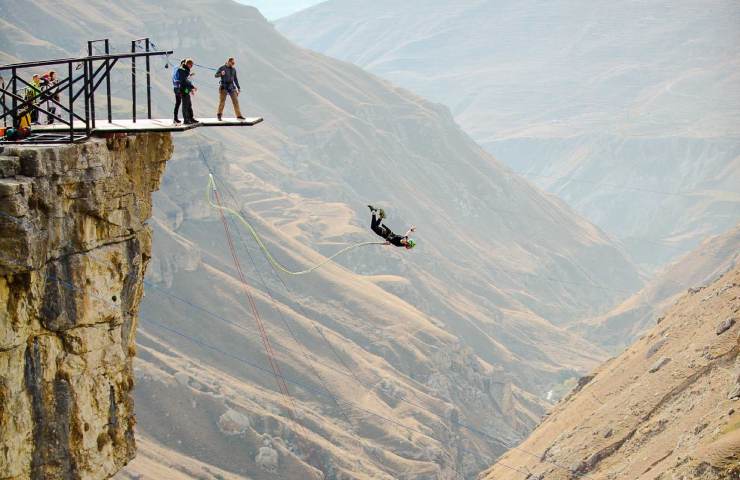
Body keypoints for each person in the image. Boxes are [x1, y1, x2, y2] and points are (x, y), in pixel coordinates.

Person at [175, 59, 197, 124]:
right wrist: (192, 87)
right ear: (188, 64)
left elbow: (186, 80)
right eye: (191, 65)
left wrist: (190, 88)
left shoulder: (185, 70)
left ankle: (190, 118)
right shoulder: (182, 70)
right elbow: (184, 81)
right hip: (183, 89)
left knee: (189, 104)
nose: (191, 66)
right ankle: (186, 120)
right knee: (185, 105)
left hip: (186, 89)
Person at [172, 59, 186, 124]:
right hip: (179, 88)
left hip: (176, 88)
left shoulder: (176, 68)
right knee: (184, 102)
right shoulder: (180, 70)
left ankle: (175, 118)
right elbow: (179, 79)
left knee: (178, 103)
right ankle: (185, 118)